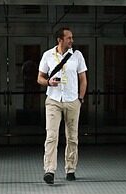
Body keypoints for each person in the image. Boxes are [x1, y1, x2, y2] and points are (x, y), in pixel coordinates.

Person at [36, 27, 88, 184]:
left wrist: (80, 98)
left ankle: (70, 169)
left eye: (72, 38)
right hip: (53, 100)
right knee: (51, 136)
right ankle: (49, 170)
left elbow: (83, 79)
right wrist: (48, 82)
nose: (72, 40)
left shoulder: (77, 55)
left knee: (72, 137)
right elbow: (39, 78)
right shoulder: (48, 55)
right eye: (69, 38)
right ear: (60, 40)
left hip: (72, 100)